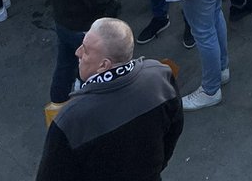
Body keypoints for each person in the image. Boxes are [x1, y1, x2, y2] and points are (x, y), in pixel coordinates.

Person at [35, 17, 183, 181]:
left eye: (85, 50)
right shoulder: (159, 76)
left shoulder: (71, 119)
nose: (77, 52)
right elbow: (174, 129)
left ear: (103, 65)